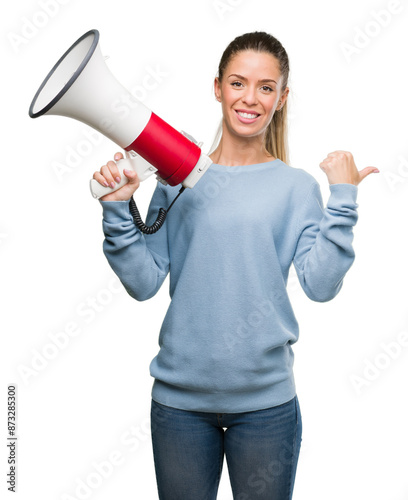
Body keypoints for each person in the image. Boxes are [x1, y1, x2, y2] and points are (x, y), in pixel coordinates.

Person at [92, 31, 379, 500]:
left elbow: (321, 286)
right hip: (179, 406)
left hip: (267, 408)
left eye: (266, 87)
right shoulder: (176, 179)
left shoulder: (296, 188)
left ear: (282, 98)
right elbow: (143, 284)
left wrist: (343, 200)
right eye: (238, 83)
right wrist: (117, 211)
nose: (250, 98)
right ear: (217, 87)